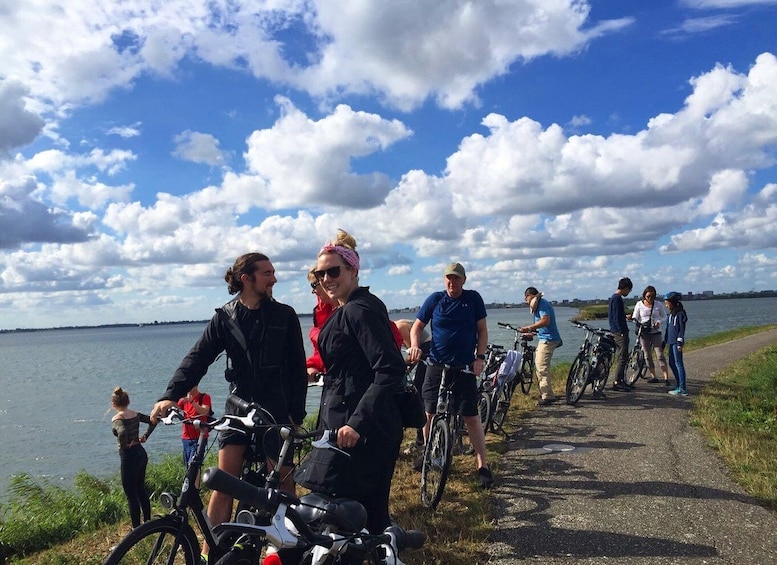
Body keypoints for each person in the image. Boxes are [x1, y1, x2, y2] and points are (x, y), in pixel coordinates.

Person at [150, 252, 307, 561]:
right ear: (246, 279)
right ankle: (212, 554)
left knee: (284, 481)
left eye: (274, 272)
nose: (274, 278)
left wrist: (295, 415)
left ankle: (290, 549)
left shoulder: (285, 315)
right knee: (224, 481)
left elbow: (297, 369)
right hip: (238, 406)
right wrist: (169, 395)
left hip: (276, 410)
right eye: (267, 273)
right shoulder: (225, 317)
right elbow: (197, 359)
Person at [293, 229, 407, 535]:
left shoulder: (359, 310)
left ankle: (388, 551)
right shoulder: (349, 308)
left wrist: (357, 423)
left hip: (362, 431)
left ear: (353, 270)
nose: (326, 279)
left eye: (334, 271)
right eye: (320, 274)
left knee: (353, 516)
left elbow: (390, 368)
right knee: (359, 517)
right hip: (350, 425)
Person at [407, 262, 494, 489]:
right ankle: (429, 454)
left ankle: (483, 465)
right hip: (436, 364)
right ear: (444, 279)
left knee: (471, 417)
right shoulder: (435, 299)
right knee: (429, 413)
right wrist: (415, 346)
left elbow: (482, 331)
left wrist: (480, 357)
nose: (451, 282)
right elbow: (416, 327)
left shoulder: (473, 299)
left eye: (456, 278)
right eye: (448, 278)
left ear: (463, 280)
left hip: (463, 367)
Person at [111, 386, 156, 528]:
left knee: (131, 494)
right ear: (128, 401)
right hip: (140, 453)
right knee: (140, 488)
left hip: (129, 455)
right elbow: (153, 420)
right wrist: (145, 436)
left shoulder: (118, 418)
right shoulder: (135, 414)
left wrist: (122, 445)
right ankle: (147, 521)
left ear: (114, 405)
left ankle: (136, 528)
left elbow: (122, 432)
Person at [519, 287, 563, 406]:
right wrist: (533, 332)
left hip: (549, 339)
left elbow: (545, 321)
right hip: (545, 337)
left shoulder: (542, 304)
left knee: (541, 366)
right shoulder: (539, 304)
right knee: (541, 367)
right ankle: (547, 392)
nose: (525, 299)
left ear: (531, 295)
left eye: (526, 296)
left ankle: (548, 396)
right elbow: (542, 325)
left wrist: (529, 328)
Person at [395, 318, 432, 446]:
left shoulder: (399, 328)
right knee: (420, 391)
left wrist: (402, 367)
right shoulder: (398, 325)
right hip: (424, 350)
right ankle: (421, 434)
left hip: (426, 350)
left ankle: (421, 436)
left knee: (419, 392)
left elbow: (413, 355)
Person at [632, 286, 670, 385]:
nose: (650, 298)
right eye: (648, 296)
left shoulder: (658, 304)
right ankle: (654, 376)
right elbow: (635, 317)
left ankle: (666, 377)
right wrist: (632, 319)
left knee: (660, 355)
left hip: (655, 332)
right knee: (647, 355)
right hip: (644, 333)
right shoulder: (639, 304)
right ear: (644, 295)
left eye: (652, 296)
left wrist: (658, 322)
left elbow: (664, 316)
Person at [305, 265, 335, 383]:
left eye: (313, 285)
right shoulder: (323, 314)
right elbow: (322, 353)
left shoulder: (354, 310)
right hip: (334, 386)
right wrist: (312, 366)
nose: (313, 291)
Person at [608, 277, 634, 391]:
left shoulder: (614, 298)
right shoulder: (617, 298)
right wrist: (621, 331)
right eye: (629, 290)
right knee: (623, 357)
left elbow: (616, 315)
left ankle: (620, 379)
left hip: (617, 330)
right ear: (626, 288)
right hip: (620, 332)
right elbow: (616, 317)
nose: (628, 293)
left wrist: (624, 316)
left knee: (623, 356)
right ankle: (617, 381)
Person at [177, 385, 212, 467]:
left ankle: (195, 479)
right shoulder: (184, 400)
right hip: (186, 437)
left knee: (194, 465)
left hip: (199, 437)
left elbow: (204, 411)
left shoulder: (204, 397)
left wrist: (192, 402)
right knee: (187, 465)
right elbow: (175, 408)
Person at [664, 291, 689, 396]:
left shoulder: (679, 314)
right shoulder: (671, 314)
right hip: (670, 341)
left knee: (679, 364)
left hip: (676, 342)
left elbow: (681, 330)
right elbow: (668, 329)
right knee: (671, 363)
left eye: (667, 303)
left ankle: (682, 388)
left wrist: (680, 342)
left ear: (672, 302)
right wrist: (664, 341)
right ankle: (678, 383)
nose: (666, 305)